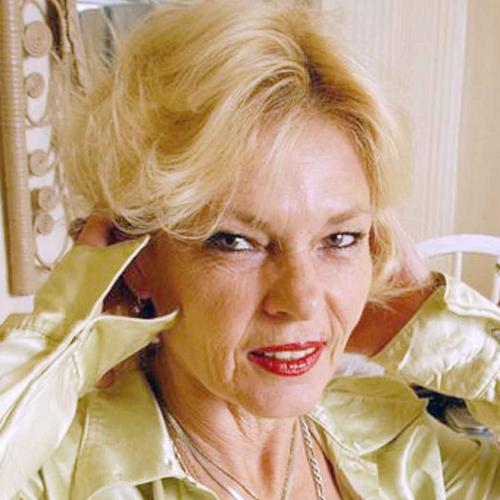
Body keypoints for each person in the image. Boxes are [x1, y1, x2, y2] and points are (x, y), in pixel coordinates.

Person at [0, 1, 498, 498]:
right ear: (136, 261)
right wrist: (60, 331)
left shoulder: (397, 448)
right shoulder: (60, 478)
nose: (302, 300)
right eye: (235, 242)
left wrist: (438, 332)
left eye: (339, 239)